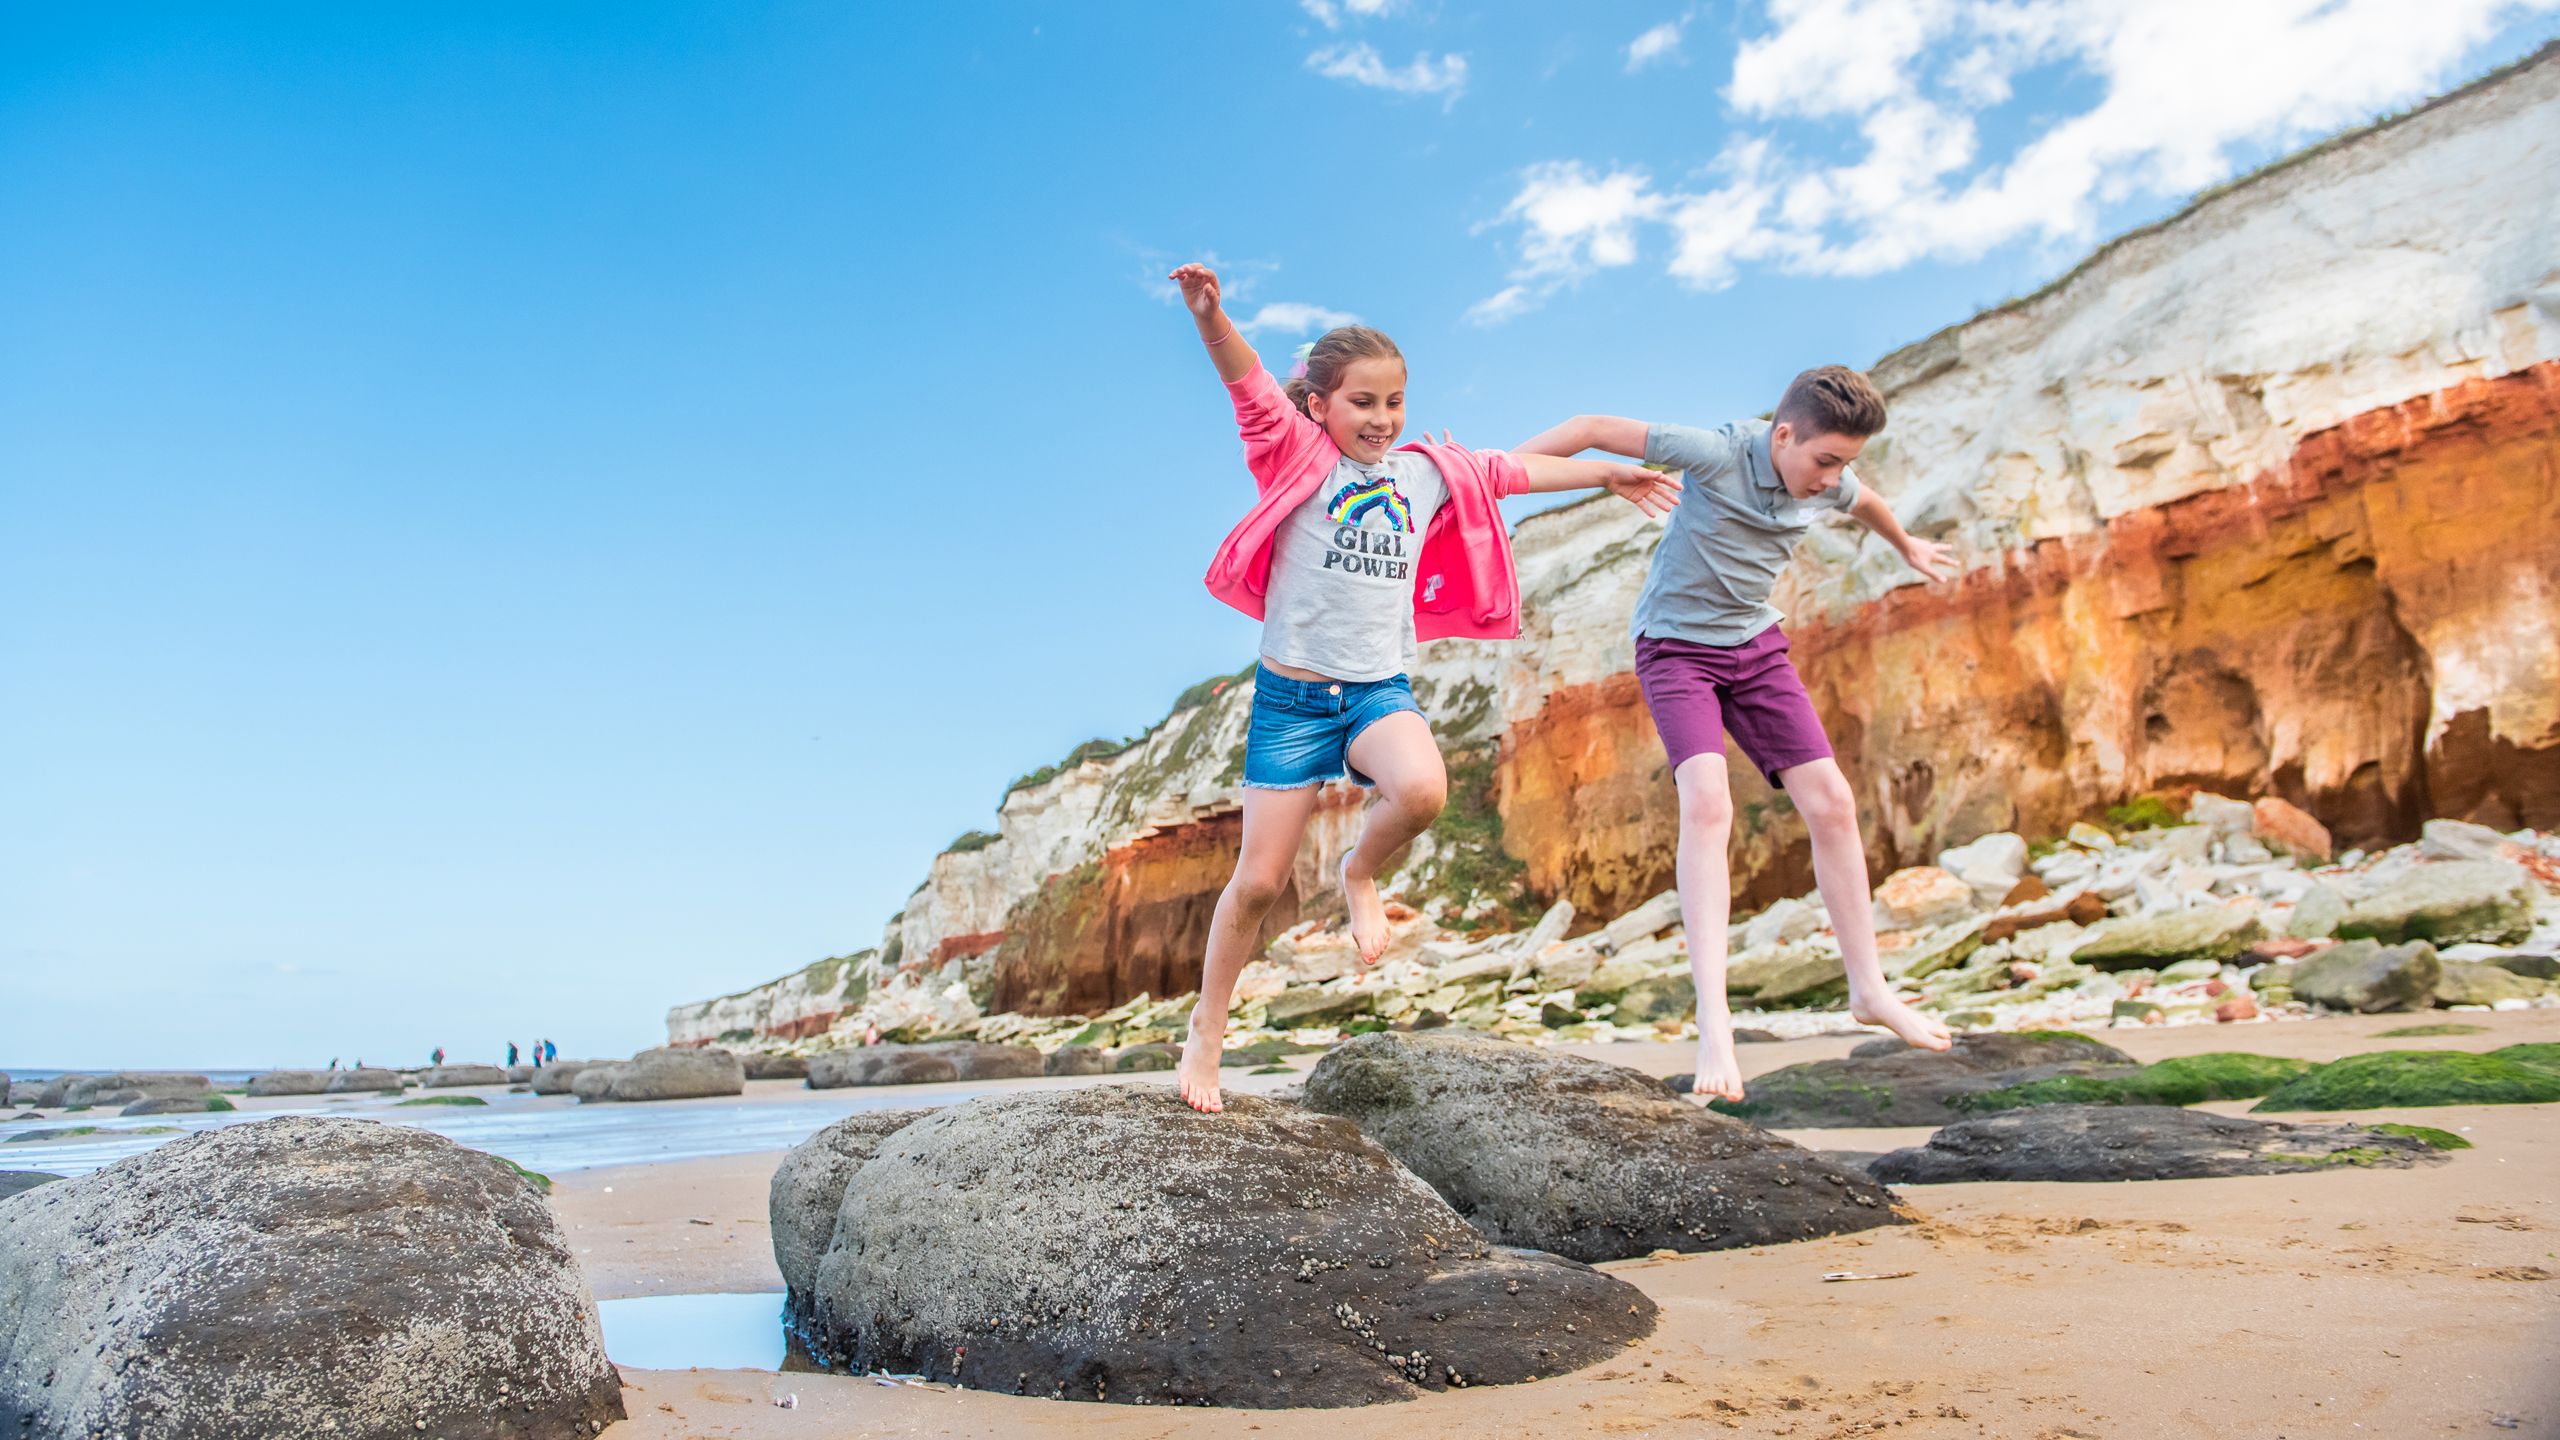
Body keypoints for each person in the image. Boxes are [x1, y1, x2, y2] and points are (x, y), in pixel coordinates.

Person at [1168, 261, 1683, 1114]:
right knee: (1257, 884)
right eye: (1361, 402)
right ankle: (1208, 1029)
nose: (1381, 418)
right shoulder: (1293, 455)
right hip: (1292, 703)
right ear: (1319, 407)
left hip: (1374, 690)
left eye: (1393, 402)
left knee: (1421, 790)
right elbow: (1247, 384)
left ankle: (1360, 874)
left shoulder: (1421, 473)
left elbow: (1512, 474)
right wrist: (1210, 318)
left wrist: (1607, 472)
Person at [1514, 367, 1958, 1103]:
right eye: (1826, 461)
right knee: (1709, 804)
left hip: (1755, 647)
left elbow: (1869, 500)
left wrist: (1907, 545)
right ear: (1783, 435)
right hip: (1675, 651)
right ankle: (1715, 1022)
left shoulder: (1828, 478)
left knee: (1833, 804)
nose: (1835, 479)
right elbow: (1590, 426)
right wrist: (1490, 479)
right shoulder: (1715, 453)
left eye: (1844, 462)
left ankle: (1870, 990)